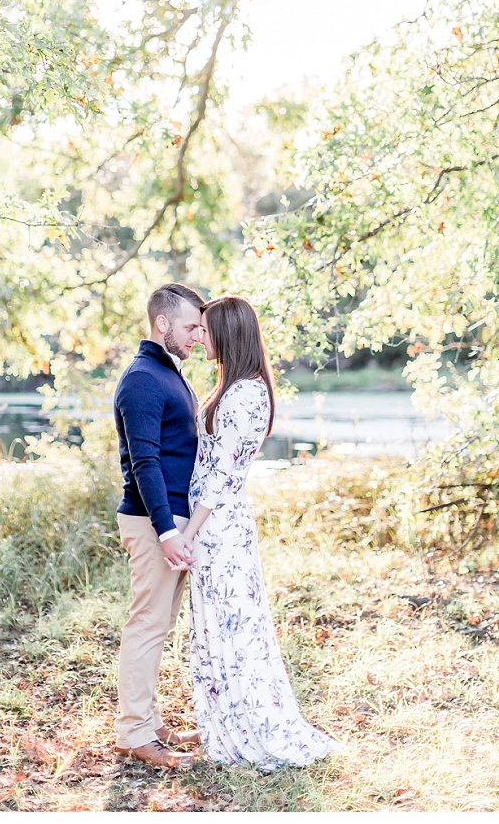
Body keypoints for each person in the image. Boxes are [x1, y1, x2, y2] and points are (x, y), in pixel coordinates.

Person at [177, 294, 339, 770]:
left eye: (206, 329)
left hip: (219, 524)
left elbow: (222, 472)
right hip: (218, 523)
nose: (200, 335)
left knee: (235, 626)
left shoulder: (246, 393)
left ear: (228, 333)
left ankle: (250, 725)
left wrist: (189, 531)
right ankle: (225, 717)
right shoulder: (235, 388)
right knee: (220, 624)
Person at [111, 282, 207, 771]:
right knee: (147, 625)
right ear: (162, 324)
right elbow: (145, 462)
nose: (197, 336)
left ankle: (147, 720)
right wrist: (168, 531)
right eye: (191, 326)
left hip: (171, 519)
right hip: (154, 522)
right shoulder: (143, 378)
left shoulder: (168, 373)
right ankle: (133, 733)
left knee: (159, 625)